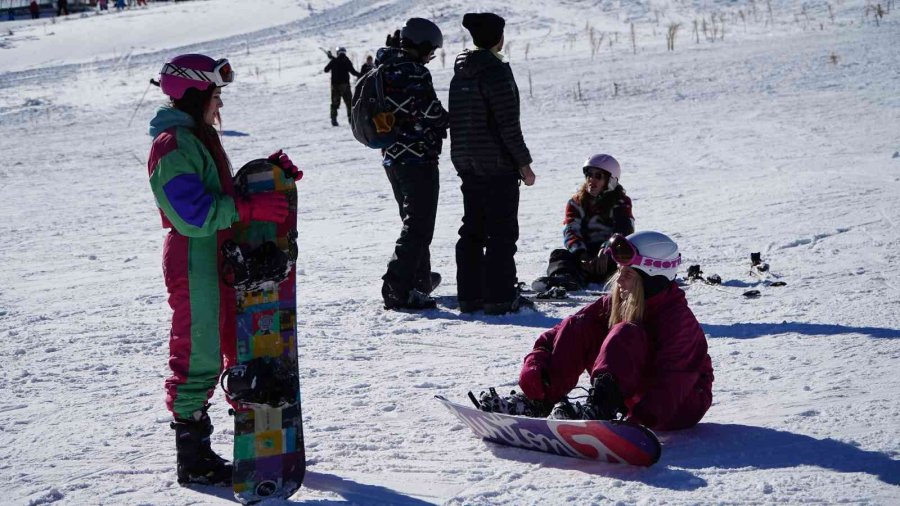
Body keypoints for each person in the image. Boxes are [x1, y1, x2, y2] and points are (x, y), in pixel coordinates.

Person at [148, 54, 299, 486]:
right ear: (194, 93)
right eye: (215, 94)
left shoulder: (197, 138)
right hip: (194, 260)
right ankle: (193, 456)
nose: (220, 104)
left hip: (220, 256)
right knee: (199, 352)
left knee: (239, 342)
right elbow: (191, 213)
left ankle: (253, 441)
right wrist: (247, 207)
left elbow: (215, 193)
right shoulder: (172, 145)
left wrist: (267, 178)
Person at [491, 231, 714, 431]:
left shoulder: (677, 321)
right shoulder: (618, 301)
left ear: (652, 279)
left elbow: (674, 382)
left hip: (680, 404)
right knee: (578, 325)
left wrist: (635, 421)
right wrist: (535, 373)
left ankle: (601, 409)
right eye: (619, 271)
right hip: (637, 394)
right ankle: (539, 401)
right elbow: (559, 334)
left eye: (629, 274)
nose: (619, 281)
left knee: (625, 333)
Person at [449, 12, 536, 315]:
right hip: (497, 165)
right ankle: (500, 297)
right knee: (501, 231)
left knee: (472, 229)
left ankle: (470, 296)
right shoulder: (495, 72)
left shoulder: (461, 72)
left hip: (467, 162)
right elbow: (507, 125)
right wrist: (524, 164)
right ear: (499, 38)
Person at [377, 18, 449, 310]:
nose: (431, 56)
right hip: (417, 157)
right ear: (421, 45)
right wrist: (450, 119)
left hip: (392, 158)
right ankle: (397, 287)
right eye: (431, 50)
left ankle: (419, 281)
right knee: (419, 225)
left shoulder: (384, 68)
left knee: (412, 221)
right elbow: (430, 110)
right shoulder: (414, 72)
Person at [532, 154, 634, 293]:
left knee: (630, 257)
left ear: (610, 180)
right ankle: (566, 279)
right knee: (559, 255)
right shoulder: (576, 202)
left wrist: (607, 250)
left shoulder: (621, 202)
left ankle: (626, 281)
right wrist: (581, 255)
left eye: (598, 176)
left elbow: (624, 230)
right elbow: (571, 230)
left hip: (610, 258)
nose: (591, 180)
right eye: (589, 175)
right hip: (585, 259)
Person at [323, 47, 360, 126]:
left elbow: (326, 70)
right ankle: (351, 119)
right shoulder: (346, 60)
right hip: (345, 85)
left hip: (335, 86)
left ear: (338, 53)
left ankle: (334, 120)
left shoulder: (334, 60)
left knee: (334, 104)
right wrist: (361, 75)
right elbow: (353, 72)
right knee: (349, 103)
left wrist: (332, 60)